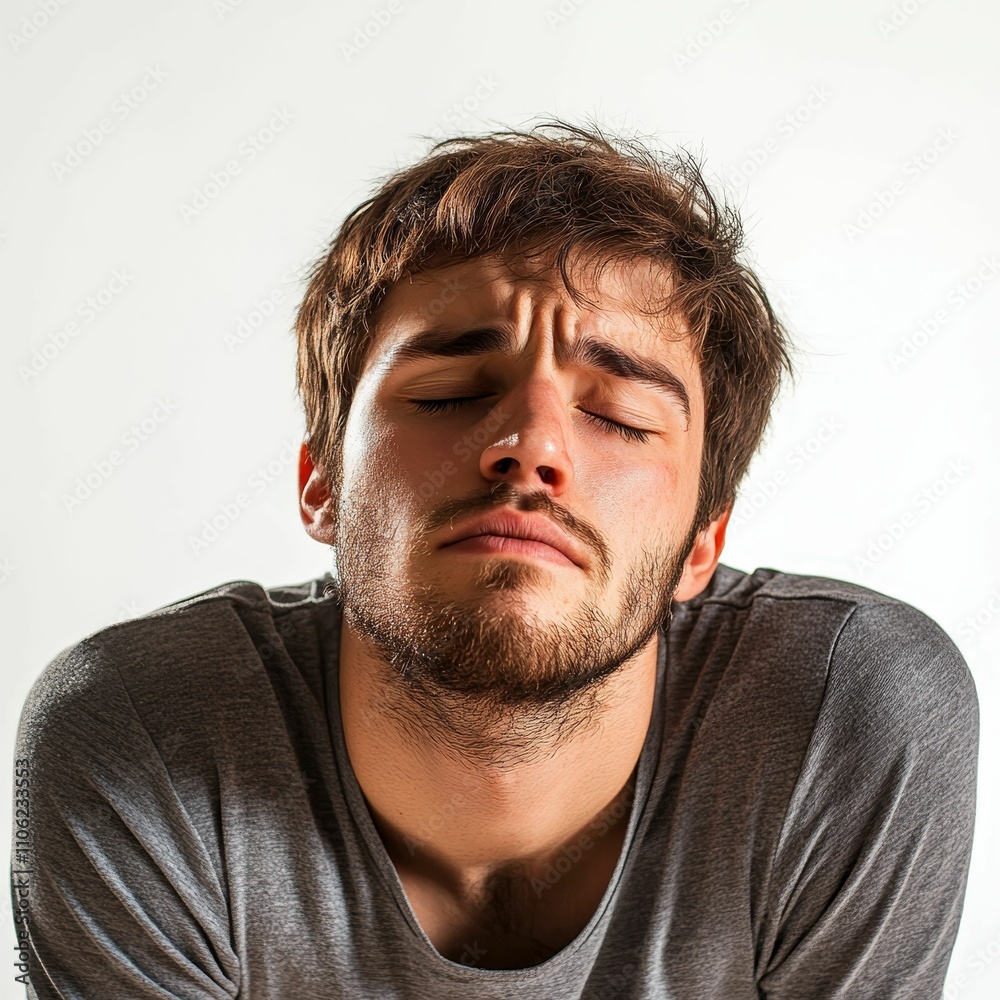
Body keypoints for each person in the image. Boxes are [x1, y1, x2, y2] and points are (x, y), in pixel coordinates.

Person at [10, 121, 978, 999]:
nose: (531, 443)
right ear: (321, 486)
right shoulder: (141, 738)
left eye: (619, 414)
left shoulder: (843, 715)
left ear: (702, 541)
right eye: (451, 388)